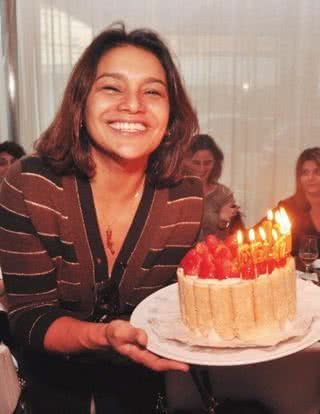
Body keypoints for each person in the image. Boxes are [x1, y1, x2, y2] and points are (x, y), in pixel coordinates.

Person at [0, 24, 203, 413]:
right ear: (81, 103)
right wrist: (104, 335)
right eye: (112, 87)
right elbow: (29, 317)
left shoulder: (185, 198)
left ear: (171, 116)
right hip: (50, 391)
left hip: (141, 392)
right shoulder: (31, 185)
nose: (133, 105)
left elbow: (171, 308)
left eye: (152, 91)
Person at [185, 134, 243, 240]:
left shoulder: (224, 194)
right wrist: (216, 218)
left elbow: (232, 239)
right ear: (185, 163)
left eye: (207, 163)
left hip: (213, 254)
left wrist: (222, 223)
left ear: (215, 163)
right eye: (196, 163)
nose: (202, 169)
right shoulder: (176, 191)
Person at [276, 147, 320, 265]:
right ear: (299, 178)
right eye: (305, 173)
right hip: (299, 279)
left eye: (317, 172)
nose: (311, 178)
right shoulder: (286, 208)